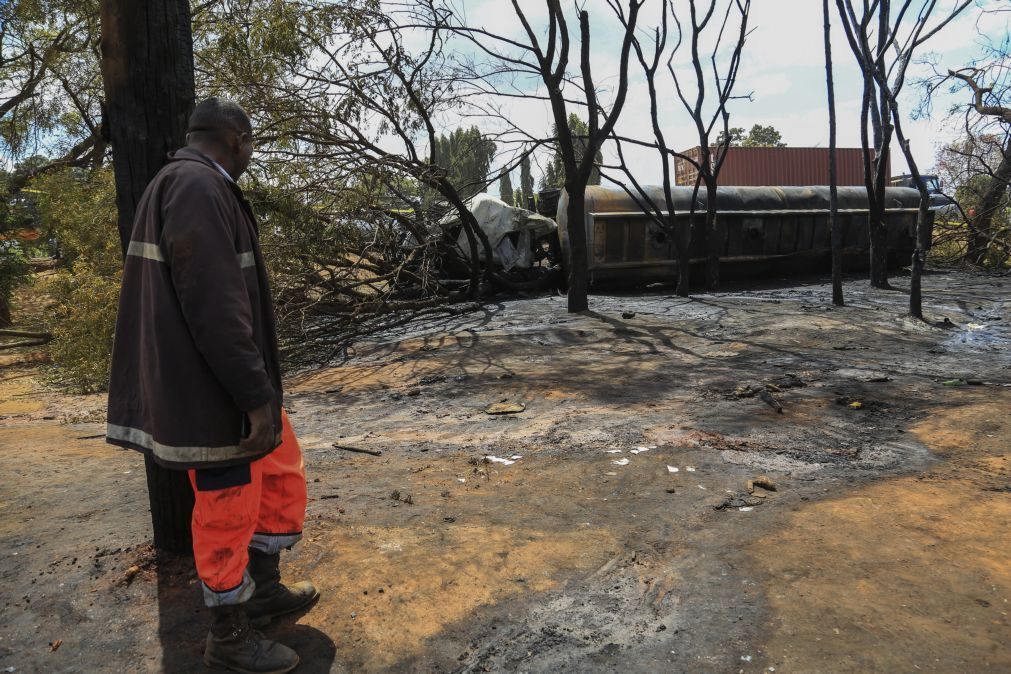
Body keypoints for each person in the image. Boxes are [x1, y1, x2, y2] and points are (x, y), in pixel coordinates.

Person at [106, 98, 317, 674]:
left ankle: (264, 588)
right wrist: (253, 396)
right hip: (214, 395)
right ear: (237, 139)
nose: (252, 154)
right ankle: (227, 633)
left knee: (279, 471)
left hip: (228, 384)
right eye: (251, 145)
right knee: (225, 507)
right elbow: (215, 309)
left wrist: (262, 395)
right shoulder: (196, 187)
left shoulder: (195, 183)